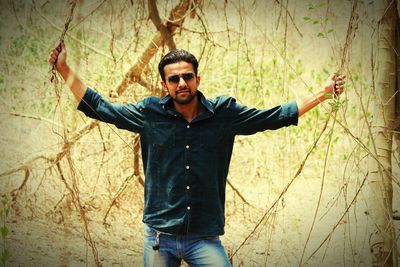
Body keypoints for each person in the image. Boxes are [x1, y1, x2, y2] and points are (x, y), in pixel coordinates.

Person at [49, 41, 345, 267]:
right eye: (174, 79)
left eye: (187, 77)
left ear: (197, 80)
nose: (181, 84)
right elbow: (102, 107)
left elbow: (276, 115)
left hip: (204, 238)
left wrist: (325, 92)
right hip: (159, 239)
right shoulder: (149, 114)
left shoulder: (224, 114)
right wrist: (64, 69)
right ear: (164, 85)